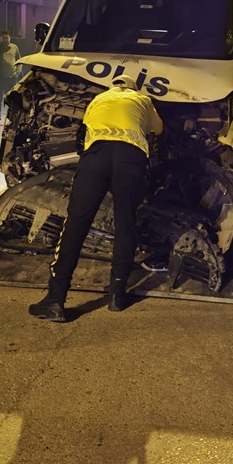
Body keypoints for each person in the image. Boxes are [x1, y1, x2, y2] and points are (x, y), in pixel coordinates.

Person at [29, 74, 164, 321]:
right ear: (133, 88)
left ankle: (55, 300)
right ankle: (117, 295)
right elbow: (158, 129)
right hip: (130, 158)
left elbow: (86, 127)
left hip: (96, 157)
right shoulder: (142, 99)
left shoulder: (99, 99)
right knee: (125, 223)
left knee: (76, 223)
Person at [0, 31, 22, 123]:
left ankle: (13, 119)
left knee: (13, 99)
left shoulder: (14, 47)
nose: (5, 40)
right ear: (0, 39)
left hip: (12, 78)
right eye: (4, 38)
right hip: (0, 78)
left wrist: (17, 72)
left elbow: (19, 60)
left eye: (7, 38)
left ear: (10, 38)